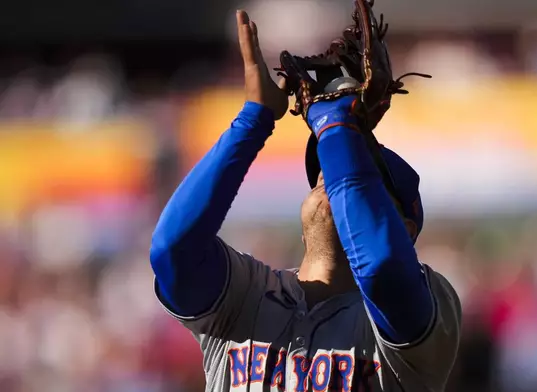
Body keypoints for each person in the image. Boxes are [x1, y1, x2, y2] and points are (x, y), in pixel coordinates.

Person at [150, 10, 461, 392]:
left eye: (362, 177)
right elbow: (173, 250)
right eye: (323, 171)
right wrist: (254, 119)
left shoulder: (421, 315)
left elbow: (381, 267)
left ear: (405, 229)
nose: (330, 175)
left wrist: (335, 122)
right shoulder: (244, 297)